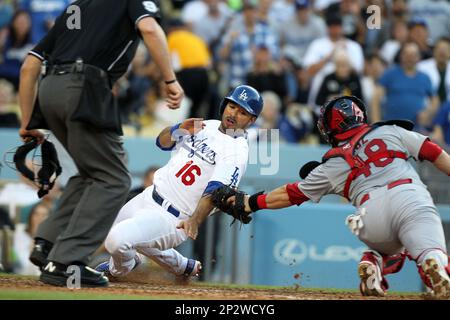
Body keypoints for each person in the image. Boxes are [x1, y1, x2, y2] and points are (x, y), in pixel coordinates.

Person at [18, 0, 184, 288]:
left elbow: (29, 66)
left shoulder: (77, 8)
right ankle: (67, 260)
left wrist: (26, 120)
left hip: (49, 90)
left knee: (91, 173)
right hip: (85, 87)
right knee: (115, 178)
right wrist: (170, 79)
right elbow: (151, 29)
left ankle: (46, 244)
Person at [223, 95, 450, 298]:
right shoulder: (392, 131)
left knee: (386, 244)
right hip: (411, 197)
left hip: (370, 216)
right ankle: (433, 263)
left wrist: (251, 203)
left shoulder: (333, 163)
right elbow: (436, 154)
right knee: (429, 249)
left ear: (330, 126)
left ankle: (373, 261)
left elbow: (291, 194)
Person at [95, 85, 262, 280]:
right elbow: (162, 142)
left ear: (252, 120)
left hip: (173, 217)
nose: (234, 114)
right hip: (148, 196)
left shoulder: (237, 151)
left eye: (243, 112)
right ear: (225, 105)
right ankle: (182, 265)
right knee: (107, 233)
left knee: (117, 241)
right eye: (233, 106)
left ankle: (117, 270)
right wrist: (177, 129)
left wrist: (195, 220)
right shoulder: (206, 125)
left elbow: (217, 191)